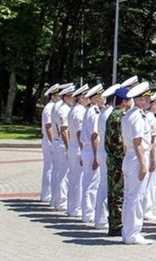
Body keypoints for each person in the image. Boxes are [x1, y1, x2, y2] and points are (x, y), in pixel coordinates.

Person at [121, 81, 154, 245]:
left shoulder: (128, 115)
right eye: (147, 97)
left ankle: (127, 231)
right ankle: (133, 233)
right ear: (140, 99)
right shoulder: (138, 117)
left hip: (130, 157)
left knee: (129, 197)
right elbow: (138, 142)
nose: (148, 100)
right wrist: (143, 164)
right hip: (137, 157)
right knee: (137, 197)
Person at [105, 85, 132, 236]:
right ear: (124, 102)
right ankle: (117, 225)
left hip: (113, 159)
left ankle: (114, 223)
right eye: (129, 100)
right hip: (118, 159)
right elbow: (121, 141)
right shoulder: (119, 116)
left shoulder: (112, 114)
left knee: (114, 193)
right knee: (118, 194)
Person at [95, 83, 120, 229]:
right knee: (108, 186)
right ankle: (103, 218)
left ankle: (101, 218)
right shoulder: (111, 114)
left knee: (104, 184)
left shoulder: (105, 111)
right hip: (109, 151)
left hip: (104, 150)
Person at [80, 83, 103, 224]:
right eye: (101, 96)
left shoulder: (91, 111)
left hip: (88, 149)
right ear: (96, 98)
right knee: (92, 183)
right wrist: (96, 156)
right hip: (91, 149)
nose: (103, 99)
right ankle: (89, 212)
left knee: (90, 181)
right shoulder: (94, 112)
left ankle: (88, 211)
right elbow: (95, 136)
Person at [66, 83, 89, 218]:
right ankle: (75, 207)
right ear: (80, 97)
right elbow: (80, 133)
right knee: (78, 179)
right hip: (78, 146)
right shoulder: (79, 111)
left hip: (74, 145)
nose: (87, 99)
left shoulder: (75, 110)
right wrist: (83, 150)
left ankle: (72, 206)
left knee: (74, 178)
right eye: (86, 96)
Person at [51, 83, 74, 211]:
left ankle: (57, 199)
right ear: (65, 97)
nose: (74, 98)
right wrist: (69, 147)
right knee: (64, 174)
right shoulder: (64, 109)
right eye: (71, 96)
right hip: (62, 143)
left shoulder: (59, 107)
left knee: (60, 172)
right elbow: (64, 131)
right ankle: (61, 201)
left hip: (58, 142)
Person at [39, 83, 60, 203]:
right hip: (49, 140)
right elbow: (48, 126)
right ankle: (46, 194)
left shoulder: (54, 107)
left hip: (50, 140)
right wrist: (53, 142)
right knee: (50, 168)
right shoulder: (50, 108)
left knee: (52, 168)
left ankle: (49, 194)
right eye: (58, 95)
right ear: (53, 96)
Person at [142, 92, 156, 222]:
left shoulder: (147, 116)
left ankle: (145, 209)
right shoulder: (151, 118)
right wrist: (153, 158)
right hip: (152, 150)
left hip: (149, 150)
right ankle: (146, 209)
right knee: (151, 183)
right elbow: (152, 140)